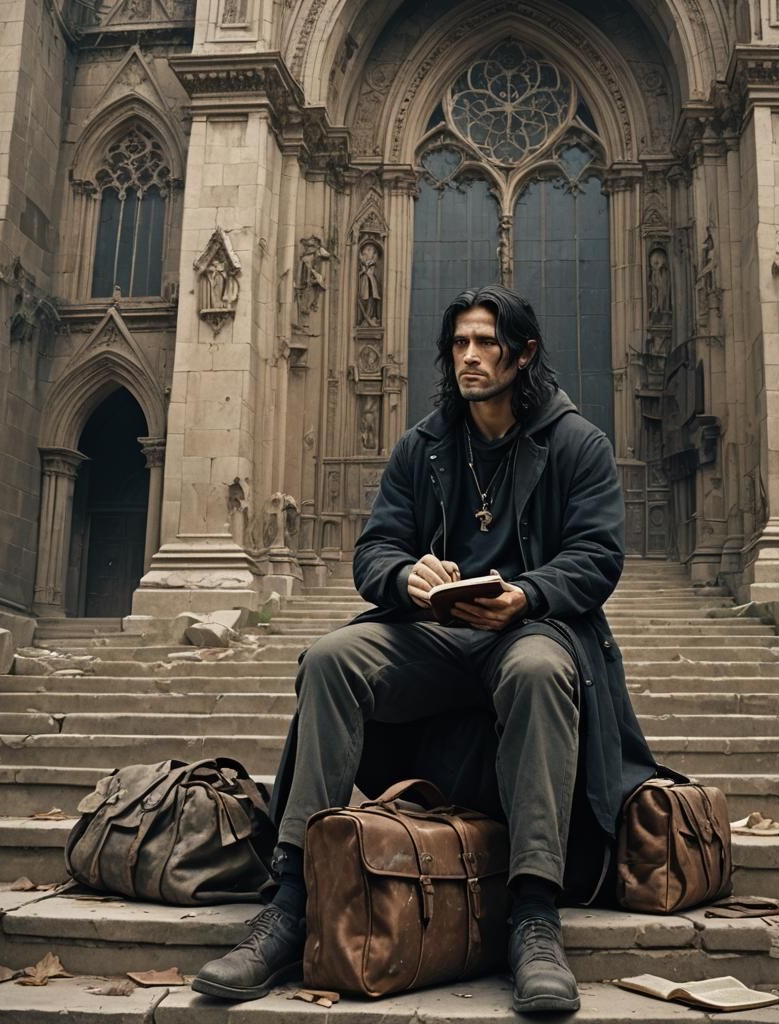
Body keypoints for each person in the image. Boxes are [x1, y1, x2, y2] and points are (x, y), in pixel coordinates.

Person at [192, 284, 656, 1013]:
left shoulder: (578, 445)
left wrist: (526, 596)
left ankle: (534, 917)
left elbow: (597, 558)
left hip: (529, 632)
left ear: (524, 351)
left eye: (486, 342)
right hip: (434, 638)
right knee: (330, 658)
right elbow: (375, 548)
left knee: (538, 670)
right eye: (459, 344)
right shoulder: (426, 446)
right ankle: (291, 903)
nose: (469, 358)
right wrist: (406, 578)